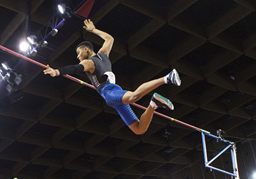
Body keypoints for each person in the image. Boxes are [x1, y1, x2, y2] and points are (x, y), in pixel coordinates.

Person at [43, 20, 181, 135]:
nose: (78, 57)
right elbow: (110, 39)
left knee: (133, 97)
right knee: (139, 129)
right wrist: (94, 30)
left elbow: (74, 68)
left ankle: (167, 78)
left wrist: (57, 71)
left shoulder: (88, 62)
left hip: (109, 93)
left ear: (86, 49)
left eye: (78, 53)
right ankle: (153, 104)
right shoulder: (103, 54)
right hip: (114, 96)